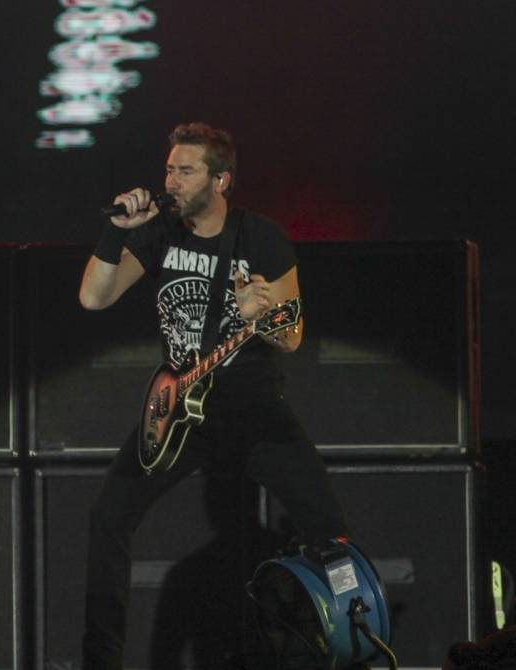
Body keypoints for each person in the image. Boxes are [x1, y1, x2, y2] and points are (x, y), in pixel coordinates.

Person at [77, 122, 349, 669]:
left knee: (329, 532)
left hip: (254, 413)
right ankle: (100, 662)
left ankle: (356, 645)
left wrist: (262, 315)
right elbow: (92, 297)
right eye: (168, 169)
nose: (170, 181)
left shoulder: (260, 237)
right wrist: (117, 230)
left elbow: (291, 336)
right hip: (179, 414)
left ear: (220, 180)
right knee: (107, 521)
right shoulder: (158, 234)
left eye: (185, 170)